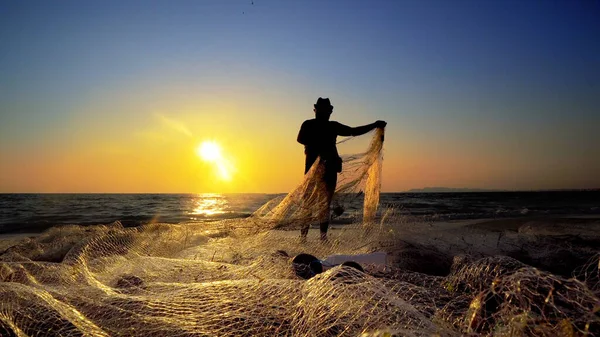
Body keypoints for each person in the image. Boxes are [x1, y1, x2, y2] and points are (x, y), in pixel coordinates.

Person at [297, 97, 386, 241]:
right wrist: (321, 143)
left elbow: (353, 131)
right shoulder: (309, 124)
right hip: (312, 172)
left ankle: (323, 238)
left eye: (327, 110)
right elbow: (300, 139)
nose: (325, 112)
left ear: (330, 111)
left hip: (330, 168)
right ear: (316, 110)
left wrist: (374, 125)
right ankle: (303, 238)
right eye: (322, 109)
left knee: (325, 204)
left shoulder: (333, 126)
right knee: (308, 204)